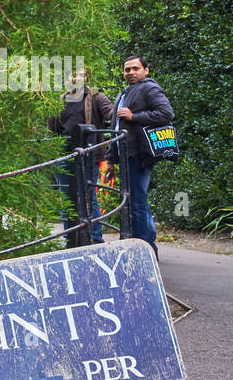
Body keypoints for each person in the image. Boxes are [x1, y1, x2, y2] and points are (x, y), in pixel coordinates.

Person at [111, 55, 173, 256]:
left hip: (139, 154)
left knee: (137, 202)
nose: (130, 72)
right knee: (136, 201)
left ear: (145, 70)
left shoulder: (149, 87)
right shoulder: (125, 92)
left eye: (135, 68)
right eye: (127, 69)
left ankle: (146, 251)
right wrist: (112, 159)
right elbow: (116, 127)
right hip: (126, 154)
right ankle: (146, 245)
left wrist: (133, 116)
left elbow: (166, 114)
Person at [47, 69, 113, 244]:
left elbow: (110, 113)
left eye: (81, 75)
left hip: (89, 155)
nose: (76, 78)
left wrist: (124, 114)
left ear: (87, 78)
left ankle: (95, 240)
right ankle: (71, 239)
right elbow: (51, 128)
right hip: (64, 155)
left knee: (89, 196)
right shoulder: (60, 100)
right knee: (67, 197)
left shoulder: (96, 97)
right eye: (72, 75)